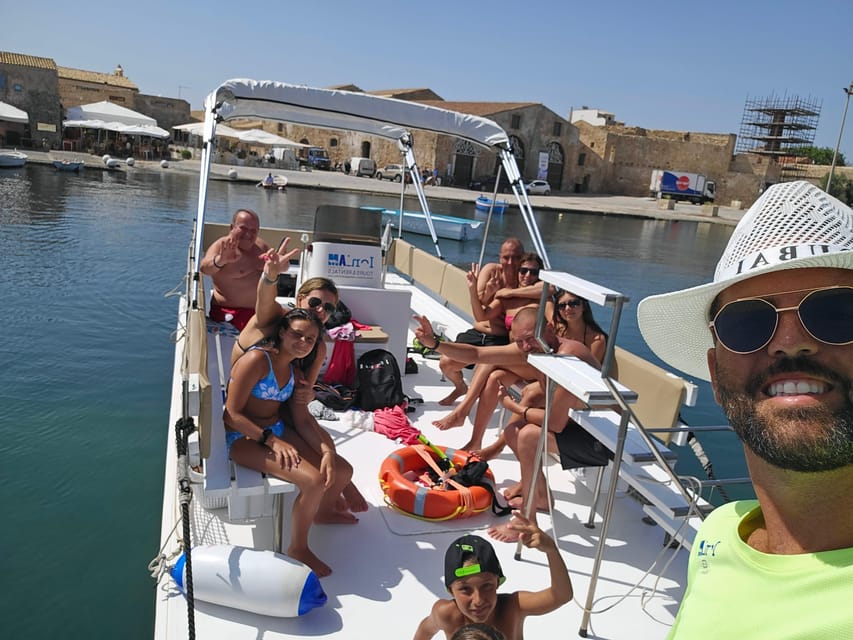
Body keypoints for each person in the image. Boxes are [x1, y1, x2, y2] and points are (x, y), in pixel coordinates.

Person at [636, 181, 853, 638]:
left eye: (838, 312)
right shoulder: (718, 534)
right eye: (747, 322)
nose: (791, 342)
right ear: (715, 376)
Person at [234, 243, 368, 514]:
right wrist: (270, 276)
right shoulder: (277, 321)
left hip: (279, 405)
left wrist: (307, 394)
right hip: (246, 402)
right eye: (315, 302)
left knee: (320, 443)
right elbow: (264, 302)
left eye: (328, 308)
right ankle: (342, 483)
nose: (320, 311)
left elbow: (300, 396)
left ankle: (341, 479)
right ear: (299, 300)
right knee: (314, 450)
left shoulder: (316, 344)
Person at [224, 309, 355, 577]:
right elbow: (231, 415)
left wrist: (327, 450)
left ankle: (324, 511)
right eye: (297, 334)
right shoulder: (257, 360)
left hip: (276, 430)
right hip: (244, 436)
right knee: (313, 481)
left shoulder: (294, 371)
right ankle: (298, 548)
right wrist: (270, 440)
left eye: (310, 338)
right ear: (282, 331)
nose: (304, 342)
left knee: (342, 470)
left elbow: (303, 420)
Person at [433, 253, 548, 436]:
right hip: (516, 355)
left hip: (534, 358)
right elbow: (481, 316)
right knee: (493, 375)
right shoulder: (506, 300)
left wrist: (510, 292)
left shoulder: (543, 298)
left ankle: (462, 411)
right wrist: (473, 289)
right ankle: (476, 439)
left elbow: (552, 288)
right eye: (523, 271)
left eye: (534, 272)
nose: (527, 276)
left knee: (487, 359)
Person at [412, 515, 572, 640]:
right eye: (465, 589)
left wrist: (551, 550)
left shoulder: (513, 608)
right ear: (451, 591)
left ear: (497, 582)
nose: (478, 600)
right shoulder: (446, 614)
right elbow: (424, 631)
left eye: (486, 586)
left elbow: (561, 595)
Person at [437, 238, 525, 406]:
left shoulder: (523, 282)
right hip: (477, 333)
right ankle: (460, 387)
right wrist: (489, 291)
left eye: (516, 257)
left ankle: (463, 409)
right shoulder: (491, 270)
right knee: (446, 363)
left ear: (522, 258)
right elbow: (478, 307)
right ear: (500, 257)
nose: (510, 262)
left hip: (499, 339)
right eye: (506, 257)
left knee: (482, 373)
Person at [201, 209, 273, 330]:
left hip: (257, 313)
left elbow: (280, 266)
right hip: (228, 314)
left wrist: (281, 265)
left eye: (253, 230)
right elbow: (204, 268)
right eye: (243, 228)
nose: (248, 234)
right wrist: (221, 260)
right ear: (232, 227)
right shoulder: (221, 246)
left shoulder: (261, 247)